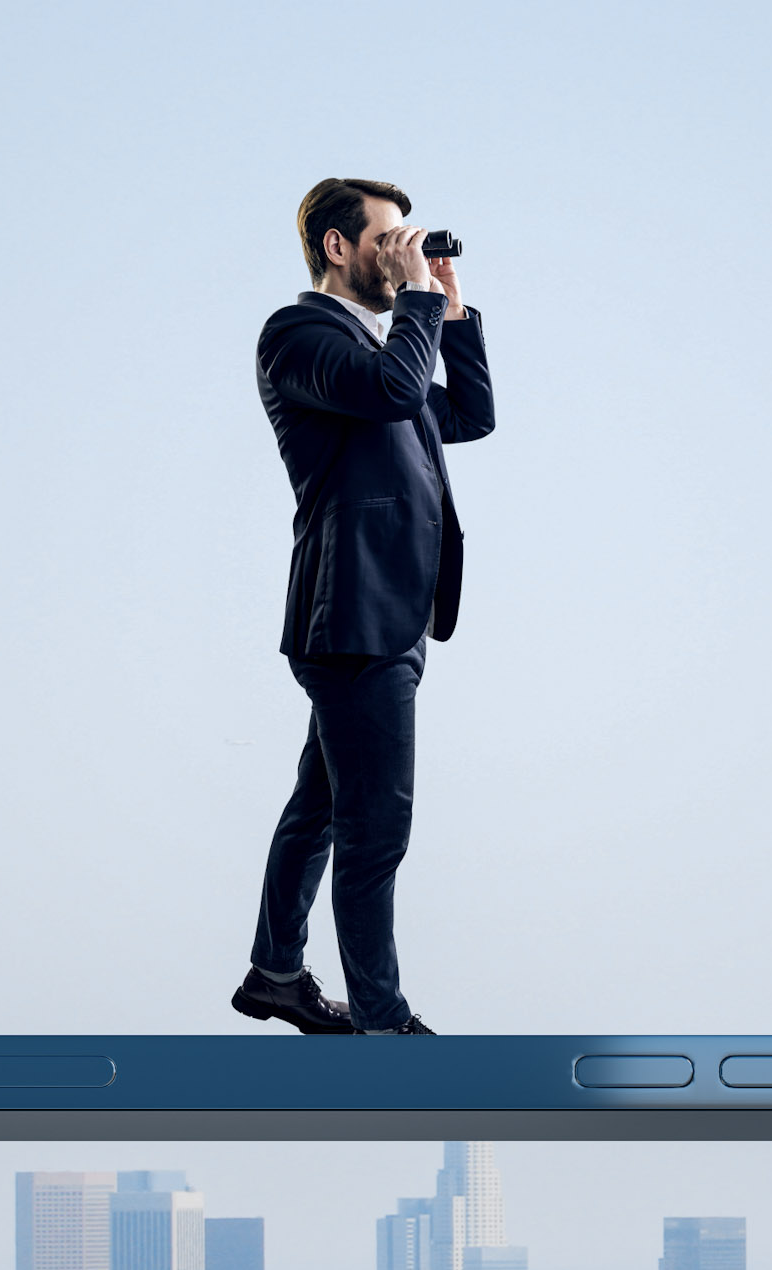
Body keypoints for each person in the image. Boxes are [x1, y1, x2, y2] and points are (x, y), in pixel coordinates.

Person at [229, 178, 494, 1036]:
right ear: (338, 247)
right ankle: (383, 1018)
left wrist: (447, 309)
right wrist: (414, 303)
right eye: (386, 239)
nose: (399, 254)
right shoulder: (298, 335)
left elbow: (469, 415)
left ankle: (275, 973)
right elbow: (387, 392)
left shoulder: (387, 353)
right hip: (352, 617)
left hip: (393, 614)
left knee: (321, 806)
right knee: (376, 828)